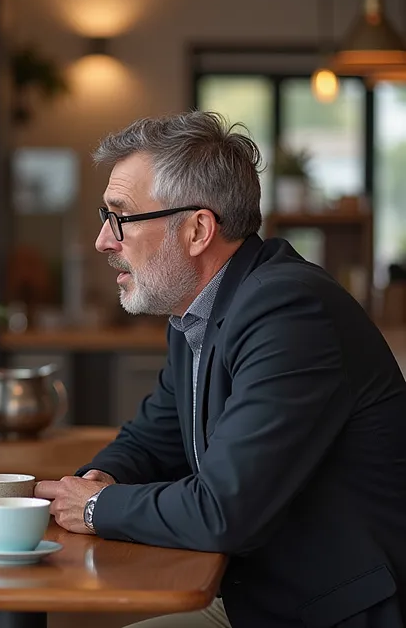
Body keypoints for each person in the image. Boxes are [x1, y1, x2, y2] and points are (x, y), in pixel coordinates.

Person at [35, 111, 406, 628]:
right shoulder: (198, 311)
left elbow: (223, 511)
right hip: (255, 593)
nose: (103, 240)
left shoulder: (289, 312)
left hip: (331, 610)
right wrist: (101, 479)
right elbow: (151, 440)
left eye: (119, 216)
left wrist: (99, 507)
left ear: (197, 230)